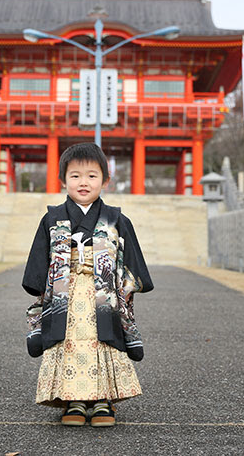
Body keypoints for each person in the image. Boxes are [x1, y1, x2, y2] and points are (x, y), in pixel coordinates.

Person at [22, 142, 154, 427]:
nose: (84, 182)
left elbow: (130, 260)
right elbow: (38, 259)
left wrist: (128, 288)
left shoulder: (116, 219)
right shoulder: (52, 218)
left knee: (102, 341)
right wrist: (39, 291)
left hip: (103, 295)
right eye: (75, 175)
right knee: (67, 341)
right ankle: (73, 400)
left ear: (105, 180)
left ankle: (103, 400)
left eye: (92, 176)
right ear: (63, 180)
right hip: (63, 295)